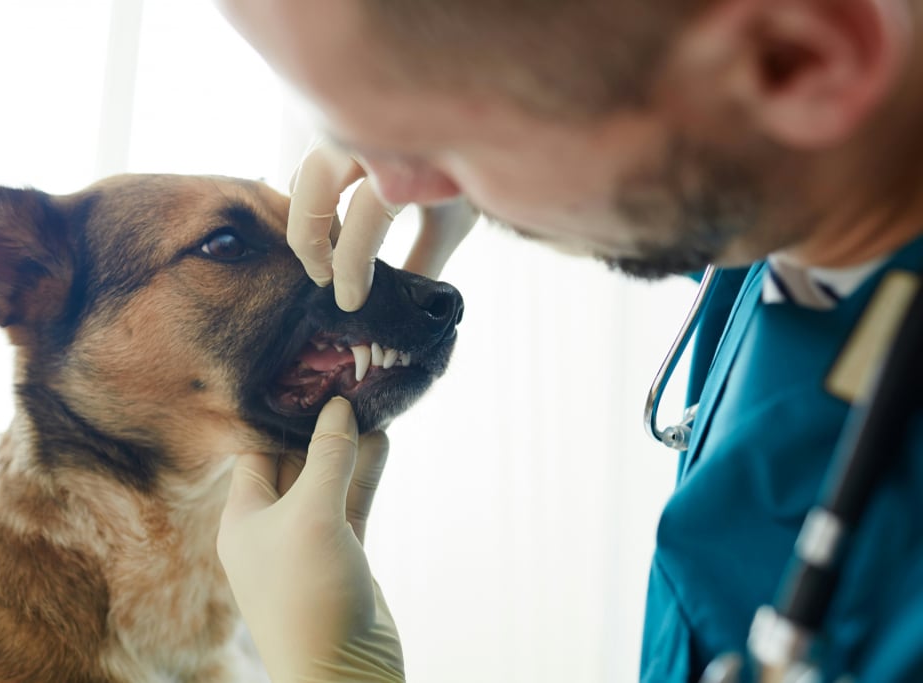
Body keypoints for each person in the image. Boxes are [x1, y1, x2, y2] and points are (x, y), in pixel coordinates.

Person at [213, 1, 923, 681]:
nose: (395, 185)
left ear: (796, 62)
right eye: (355, 131)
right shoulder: (789, 193)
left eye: (435, 142)